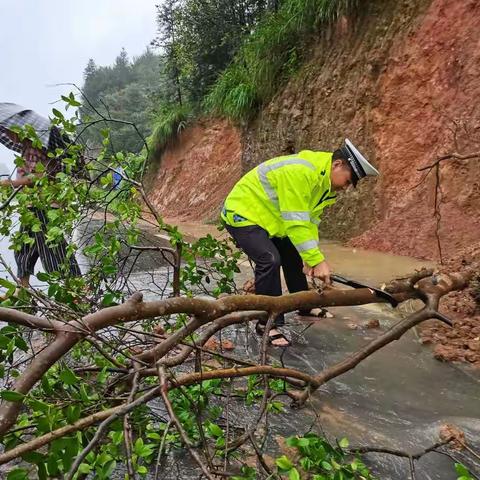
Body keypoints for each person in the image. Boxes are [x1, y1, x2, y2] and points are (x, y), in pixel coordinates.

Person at [221, 139, 379, 346]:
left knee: (294, 256)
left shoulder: (324, 186)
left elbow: (310, 222)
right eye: (348, 181)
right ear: (337, 165)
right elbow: (296, 222)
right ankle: (267, 322)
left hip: (271, 220)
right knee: (269, 260)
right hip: (242, 214)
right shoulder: (301, 172)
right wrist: (318, 260)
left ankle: (303, 304)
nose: (346, 188)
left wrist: (309, 257)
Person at [0, 117, 82, 287]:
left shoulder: (37, 146)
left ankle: (78, 292)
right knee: (23, 250)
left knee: (54, 250)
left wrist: (11, 183)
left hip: (44, 205)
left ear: (19, 129)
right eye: (5, 131)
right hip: (31, 206)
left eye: (9, 130)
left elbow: (41, 176)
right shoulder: (26, 148)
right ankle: (22, 289)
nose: (7, 134)